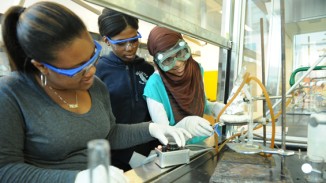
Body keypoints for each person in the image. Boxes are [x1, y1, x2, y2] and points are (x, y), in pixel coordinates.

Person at [0, 2, 191, 183]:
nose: (91, 71)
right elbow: (6, 170)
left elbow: (109, 133)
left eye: (92, 57)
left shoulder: (95, 86)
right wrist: (76, 179)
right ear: (41, 66)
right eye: (77, 68)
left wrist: (152, 128)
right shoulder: (11, 94)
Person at [96, 8, 157, 171]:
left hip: (147, 154)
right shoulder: (97, 72)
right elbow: (95, 126)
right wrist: (127, 156)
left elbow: (153, 114)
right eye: (121, 43)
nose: (130, 48)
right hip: (110, 159)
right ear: (107, 41)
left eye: (134, 39)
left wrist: (156, 147)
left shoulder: (148, 70)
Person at [144, 26, 225, 144]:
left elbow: (202, 103)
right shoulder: (154, 85)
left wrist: (215, 108)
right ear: (158, 62)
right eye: (167, 60)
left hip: (202, 142)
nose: (178, 63)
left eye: (180, 53)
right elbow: (164, 135)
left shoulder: (196, 69)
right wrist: (185, 125)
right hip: (177, 148)